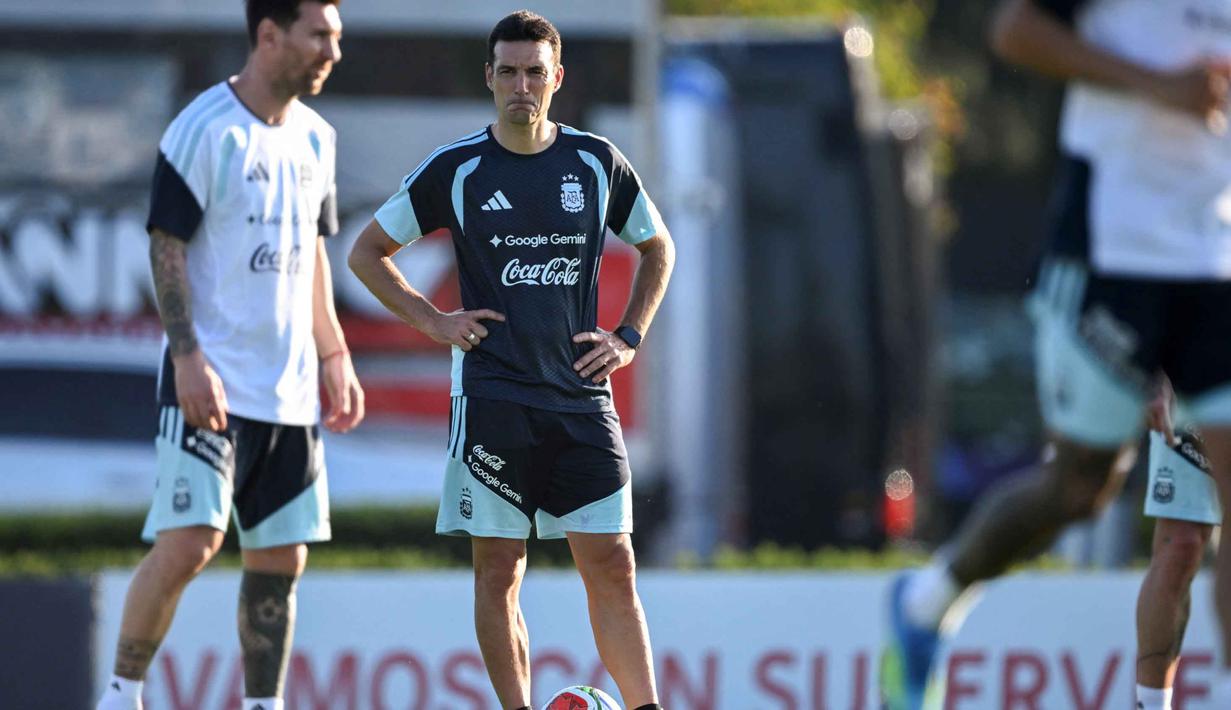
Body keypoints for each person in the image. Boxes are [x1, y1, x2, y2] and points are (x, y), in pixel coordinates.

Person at [880, 1, 1231, 708]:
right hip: (1107, 252)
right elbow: (1013, 29)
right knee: (1080, 487)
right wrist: (1153, 83)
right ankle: (925, 602)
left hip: (1211, 261)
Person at [348, 11, 673, 710]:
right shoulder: (457, 168)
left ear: (556, 79)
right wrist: (433, 321)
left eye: (534, 72)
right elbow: (366, 254)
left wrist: (628, 336)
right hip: (492, 400)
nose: (521, 85)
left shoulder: (594, 162)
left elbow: (657, 247)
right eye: (508, 71)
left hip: (581, 400)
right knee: (499, 570)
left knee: (612, 562)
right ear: (489, 78)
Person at [95, 2, 362, 709]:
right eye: (320, 35)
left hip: (290, 388)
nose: (334, 50)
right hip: (209, 381)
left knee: (281, 561)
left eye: (336, 35)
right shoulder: (203, 129)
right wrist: (186, 356)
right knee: (191, 543)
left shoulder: (317, 139)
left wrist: (332, 350)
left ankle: (263, 704)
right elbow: (166, 245)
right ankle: (121, 695)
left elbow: (312, 253)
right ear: (269, 35)